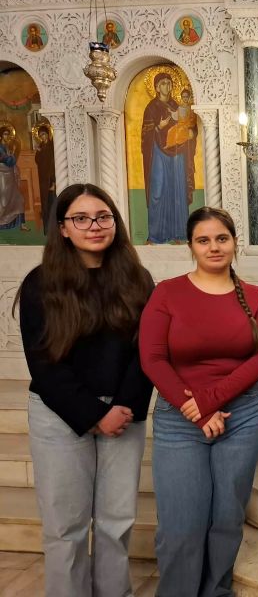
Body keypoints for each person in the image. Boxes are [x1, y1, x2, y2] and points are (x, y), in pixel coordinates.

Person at [15, 183, 154, 597]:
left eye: (103, 217)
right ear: (62, 228)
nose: (95, 226)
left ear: (115, 222)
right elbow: (44, 363)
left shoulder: (137, 279)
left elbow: (146, 351)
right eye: (81, 218)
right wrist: (94, 414)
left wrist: (124, 406)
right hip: (60, 414)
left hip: (123, 412)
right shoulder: (41, 284)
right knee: (66, 527)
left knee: (116, 521)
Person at [139, 206, 258, 596]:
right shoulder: (167, 293)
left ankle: (216, 591)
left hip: (242, 417)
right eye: (203, 240)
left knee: (227, 519)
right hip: (180, 419)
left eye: (221, 238)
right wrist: (197, 411)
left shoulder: (254, 296)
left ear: (234, 243)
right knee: (181, 524)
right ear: (191, 246)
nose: (213, 247)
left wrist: (210, 400)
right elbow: (152, 358)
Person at [140, 72, 194, 244]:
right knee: (157, 189)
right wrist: (158, 127)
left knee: (177, 189)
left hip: (177, 151)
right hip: (157, 151)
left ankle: (179, 234)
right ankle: (155, 235)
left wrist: (192, 133)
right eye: (163, 83)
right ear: (156, 87)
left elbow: (189, 123)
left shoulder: (177, 105)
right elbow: (145, 133)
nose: (167, 86)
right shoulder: (151, 107)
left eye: (169, 83)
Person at [0, 127, 30, 231]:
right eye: (5, 134)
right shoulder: (0, 148)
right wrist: (12, 154)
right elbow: (8, 161)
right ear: (0, 136)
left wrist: (12, 154)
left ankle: (22, 225)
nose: (7, 136)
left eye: (8, 134)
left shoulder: (6, 147)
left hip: (10, 177)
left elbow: (10, 161)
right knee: (4, 202)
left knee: (19, 199)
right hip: (3, 178)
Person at [35, 125, 56, 233]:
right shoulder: (41, 146)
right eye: (40, 135)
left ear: (48, 134)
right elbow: (37, 161)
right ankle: (47, 228)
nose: (42, 137)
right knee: (45, 203)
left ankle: (54, 228)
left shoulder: (52, 146)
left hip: (51, 178)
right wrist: (39, 151)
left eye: (43, 134)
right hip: (43, 179)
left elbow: (53, 164)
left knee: (52, 202)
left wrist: (53, 182)